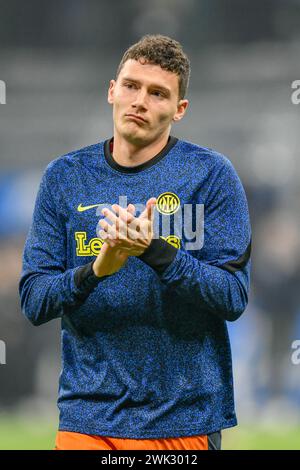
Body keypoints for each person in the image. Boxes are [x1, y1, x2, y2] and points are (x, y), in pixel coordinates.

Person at [19, 34, 251, 451]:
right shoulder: (64, 177)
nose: (140, 101)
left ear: (180, 110)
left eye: (158, 93)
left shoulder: (212, 175)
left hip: (184, 419)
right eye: (131, 86)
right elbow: (34, 301)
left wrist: (155, 251)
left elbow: (233, 297)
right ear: (112, 90)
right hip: (87, 419)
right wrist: (95, 271)